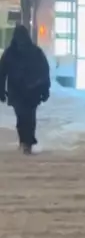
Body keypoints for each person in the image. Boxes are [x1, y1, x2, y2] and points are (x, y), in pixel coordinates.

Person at [0, 25, 51, 155]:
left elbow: (2, 73)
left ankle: (25, 141)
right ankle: (26, 141)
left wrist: (1, 90)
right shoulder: (35, 51)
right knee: (28, 117)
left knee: (23, 117)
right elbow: (45, 72)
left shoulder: (10, 53)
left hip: (19, 91)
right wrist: (45, 89)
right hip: (30, 90)